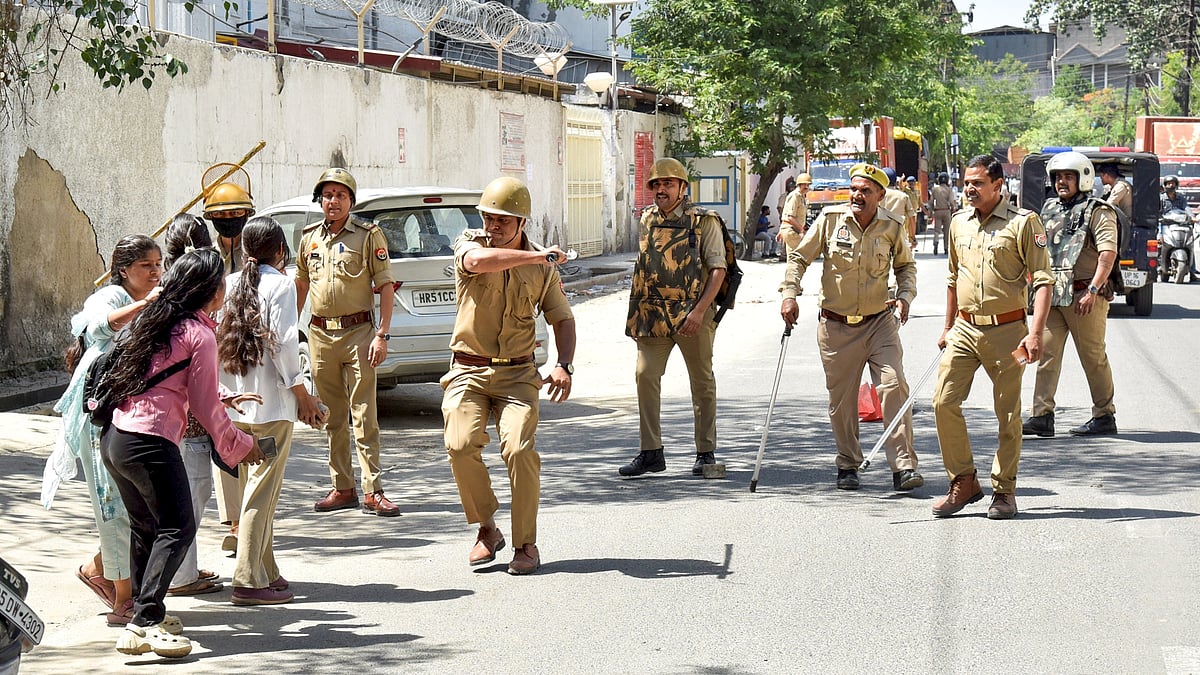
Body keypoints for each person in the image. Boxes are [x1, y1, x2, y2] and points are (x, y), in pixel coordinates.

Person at [100, 248, 263, 658]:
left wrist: (223, 395)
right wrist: (242, 447)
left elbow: (170, 381)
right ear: (209, 290)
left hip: (118, 437)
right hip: (150, 443)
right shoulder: (199, 333)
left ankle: (141, 615)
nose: (226, 288)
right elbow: (205, 409)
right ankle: (146, 621)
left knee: (148, 529)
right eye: (221, 282)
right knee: (178, 528)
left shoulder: (158, 322)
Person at [440, 177, 576, 576]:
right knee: (460, 445)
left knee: (518, 451)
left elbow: (562, 318)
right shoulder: (471, 245)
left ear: (522, 223)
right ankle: (487, 527)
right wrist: (538, 258)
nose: (492, 226)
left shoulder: (542, 267)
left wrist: (563, 364)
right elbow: (477, 263)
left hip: (518, 376)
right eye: (487, 218)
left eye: (502, 220)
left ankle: (526, 544)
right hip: (468, 369)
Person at [779, 163, 922, 491]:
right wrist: (790, 294)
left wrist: (905, 296)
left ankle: (903, 466)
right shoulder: (831, 220)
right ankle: (848, 464)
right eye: (854, 189)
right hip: (836, 327)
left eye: (865, 191)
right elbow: (800, 258)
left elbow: (905, 267)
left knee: (893, 386)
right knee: (842, 401)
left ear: (880, 196)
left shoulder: (892, 225)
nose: (857, 195)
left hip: (879, 324)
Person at [40, 235, 161, 625]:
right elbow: (97, 328)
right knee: (114, 507)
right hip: (99, 416)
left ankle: (99, 569)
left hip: (137, 416)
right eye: (147, 265)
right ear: (123, 270)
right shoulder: (109, 299)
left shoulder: (157, 299)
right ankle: (123, 600)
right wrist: (145, 305)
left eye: (159, 263)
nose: (156, 271)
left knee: (139, 507)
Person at [930, 155, 1053, 521]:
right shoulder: (958, 223)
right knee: (943, 403)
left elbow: (1044, 281)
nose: (969, 189)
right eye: (966, 182)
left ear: (998, 186)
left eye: (977, 183)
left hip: (1008, 333)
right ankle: (963, 481)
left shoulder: (1023, 224)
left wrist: (1035, 334)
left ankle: (1004, 491)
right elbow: (954, 278)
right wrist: (947, 325)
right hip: (965, 329)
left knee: (1008, 414)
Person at [218, 216, 325, 603]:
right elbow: (283, 345)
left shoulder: (228, 284)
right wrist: (304, 396)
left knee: (252, 488)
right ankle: (248, 578)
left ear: (245, 250)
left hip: (234, 405)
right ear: (280, 252)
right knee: (262, 494)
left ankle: (267, 568)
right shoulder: (280, 285)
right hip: (272, 408)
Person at [295, 167, 400, 516]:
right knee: (330, 415)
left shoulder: (369, 236)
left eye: (340, 195)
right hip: (321, 334)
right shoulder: (308, 237)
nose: (333, 201)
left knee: (364, 413)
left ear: (351, 201)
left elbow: (386, 286)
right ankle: (343, 487)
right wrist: (287, 331)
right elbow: (300, 286)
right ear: (320, 200)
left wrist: (382, 335)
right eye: (327, 195)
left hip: (359, 334)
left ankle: (374, 489)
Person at [620, 157, 727, 477]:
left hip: (693, 314)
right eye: (656, 184)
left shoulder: (704, 221)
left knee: (702, 382)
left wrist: (698, 312)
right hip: (653, 316)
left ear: (683, 188)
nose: (661, 189)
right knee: (645, 375)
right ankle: (651, 451)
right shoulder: (647, 218)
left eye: (668, 183)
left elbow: (718, 269)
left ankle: (705, 452)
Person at [1022, 152, 1119, 438]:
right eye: (1058, 177)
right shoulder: (1049, 207)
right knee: (1046, 354)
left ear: (1082, 178)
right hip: (1053, 295)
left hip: (1084, 297)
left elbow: (1107, 254)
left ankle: (1104, 415)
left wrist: (1093, 290)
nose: (1062, 182)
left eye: (1068, 176)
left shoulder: (1099, 210)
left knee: (1093, 358)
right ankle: (1042, 416)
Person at [160, 215, 225, 599]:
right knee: (189, 500)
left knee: (181, 502)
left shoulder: (162, 301)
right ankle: (179, 577)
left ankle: (181, 572)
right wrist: (233, 441)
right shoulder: (192, 320)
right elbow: (201, 397)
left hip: (164, 424)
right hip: (182, 425)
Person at [202, 173, 255, 552]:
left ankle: (254, 514)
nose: (231, 220)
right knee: (222, 430)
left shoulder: (257, 254)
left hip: (250, 353)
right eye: (225, 214)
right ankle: (235, 522)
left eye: (238, 213)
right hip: (212, 351)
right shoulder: (202, 259)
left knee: (252, 428)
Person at [880, 167, 917, 249]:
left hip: (879, 237)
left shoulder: (876, 196)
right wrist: (912, 238)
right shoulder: (903, 196)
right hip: (899, 237)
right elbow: (912, 219)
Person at [779, 172, 813, 261]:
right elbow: (790, 217)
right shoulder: (795, 196)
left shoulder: (801, 197)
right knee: (796, 259)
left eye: (808, 185)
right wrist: (801, 231)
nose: (806, 187)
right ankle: (793, 275)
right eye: (804, 184)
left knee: (794, 259)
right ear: (799, 185)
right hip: (792, 230)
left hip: (793, 230)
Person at [929, 172, 955, 255]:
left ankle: (936, 242)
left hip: (937, 211)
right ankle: (946, 248)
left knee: (937, 230)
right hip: (946, 211)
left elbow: (931, 201)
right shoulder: (949, 189)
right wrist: (953, 208)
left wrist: (931, 210)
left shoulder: (935, 189)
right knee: (947, 231)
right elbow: (951, 201)